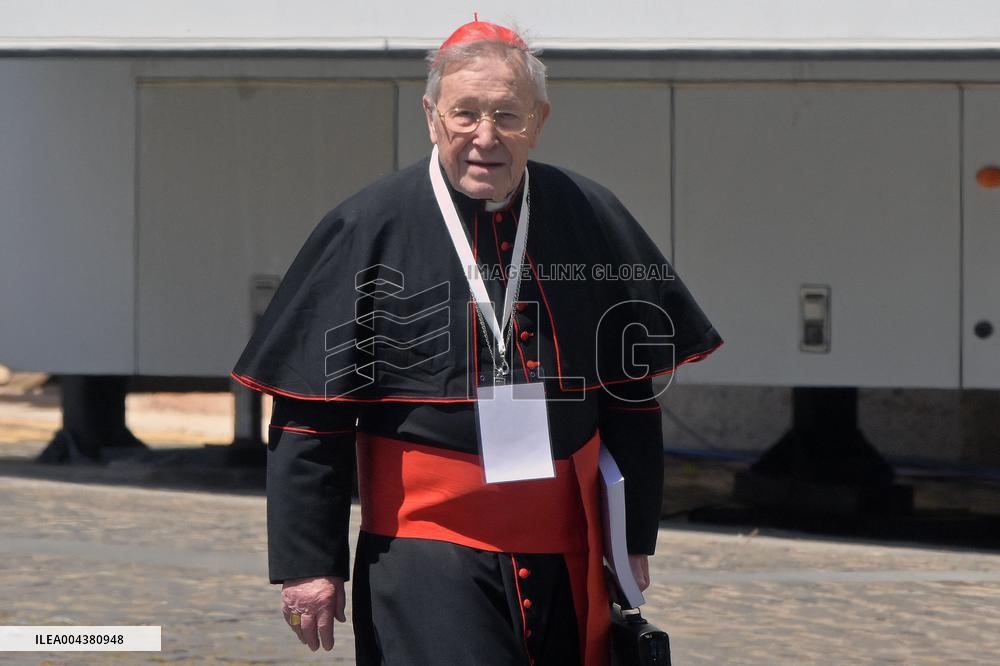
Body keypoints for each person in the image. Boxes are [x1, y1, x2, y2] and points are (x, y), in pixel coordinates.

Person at [232, 18, 721, 666]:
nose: (485, 137)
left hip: (565, 551)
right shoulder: (370, 224)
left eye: (507, 116)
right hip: (427, 550)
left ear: (539, 120)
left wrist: (632, 536)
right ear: (432, 115)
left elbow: (631, 396)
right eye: (466, 113)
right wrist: (309, 564)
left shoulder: (588, 214)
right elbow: (309, 415)